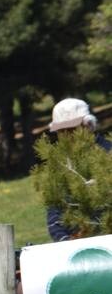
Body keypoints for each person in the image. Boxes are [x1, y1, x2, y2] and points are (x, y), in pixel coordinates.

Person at [45, 97, 110, 242]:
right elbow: (55, 213)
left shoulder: (108, 154)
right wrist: (65, 240)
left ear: (88, 126)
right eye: (61, 131)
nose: (66, 136)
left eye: (71, 129)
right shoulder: (59, 165)